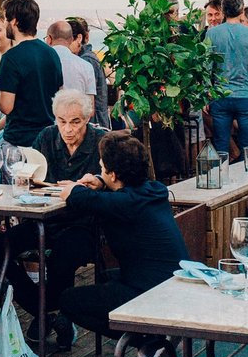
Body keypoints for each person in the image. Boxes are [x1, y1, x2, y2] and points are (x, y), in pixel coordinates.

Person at [0, 89, 105, 348]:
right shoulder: (46, 137)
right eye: (62, 121)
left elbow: (113, 181)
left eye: (75, 122)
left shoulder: (100, 141)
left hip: (84, 224)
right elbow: (31, 173)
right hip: (43, 219)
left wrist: (97, 183)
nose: (68, 129)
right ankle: (45, 310)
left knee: (62, 258)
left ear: (87, 119)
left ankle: (52, 312)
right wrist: (26, 178)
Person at [59, 132, 189, 340]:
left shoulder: (124, 204)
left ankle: (148, 341)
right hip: (175, 285)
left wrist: (74, 187)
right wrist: (102, 181)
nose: (101, 170)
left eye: (102, 167)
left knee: (67, 300)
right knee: (106, 277)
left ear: (113, 174)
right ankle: (152, 337)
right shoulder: (154, 190)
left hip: (154, 293)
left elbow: (77, 196)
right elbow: (113, 194)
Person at [205, 0, 248, 154]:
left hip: (220, 97)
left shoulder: (212, 33)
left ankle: (222, 177)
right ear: (242, 11)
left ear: (223, 11)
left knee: (221, 144)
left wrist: (206, 93)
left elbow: (206, 67)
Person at [0, 0, 63, 148]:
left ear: (14, 21)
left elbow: (6, 106)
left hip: (19, 139)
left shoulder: (11, 57)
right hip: (48, 138)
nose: (5, 24)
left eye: (5, 19)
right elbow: (60, 95)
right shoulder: (51, 53)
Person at [67, 16, 110, 129]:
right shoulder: (89, 58)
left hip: (95, 123)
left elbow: (89, 99)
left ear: (79, 38)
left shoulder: (86, 61)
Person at [45, 20, 96, 108]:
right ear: (71, 39)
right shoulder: (86, 66)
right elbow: (90, 108)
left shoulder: (38, 63)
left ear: (49, 39)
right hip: (75, 118)